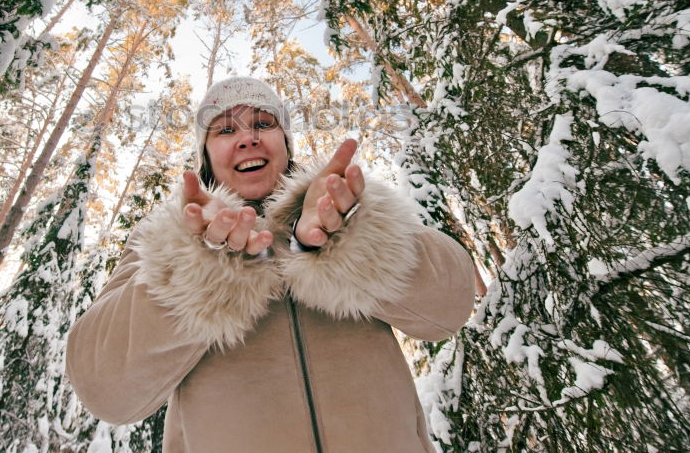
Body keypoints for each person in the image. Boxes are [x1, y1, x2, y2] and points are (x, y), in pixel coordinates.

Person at [66, 77, 475, 453]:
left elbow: (449, 309)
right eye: (225, 130)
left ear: (286, 141)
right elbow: (106, 389)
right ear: (206, 155)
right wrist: (199, 272)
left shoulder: (348, 207)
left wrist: (349, 242)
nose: (247, 139)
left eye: (263, 123)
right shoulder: (164, 240)